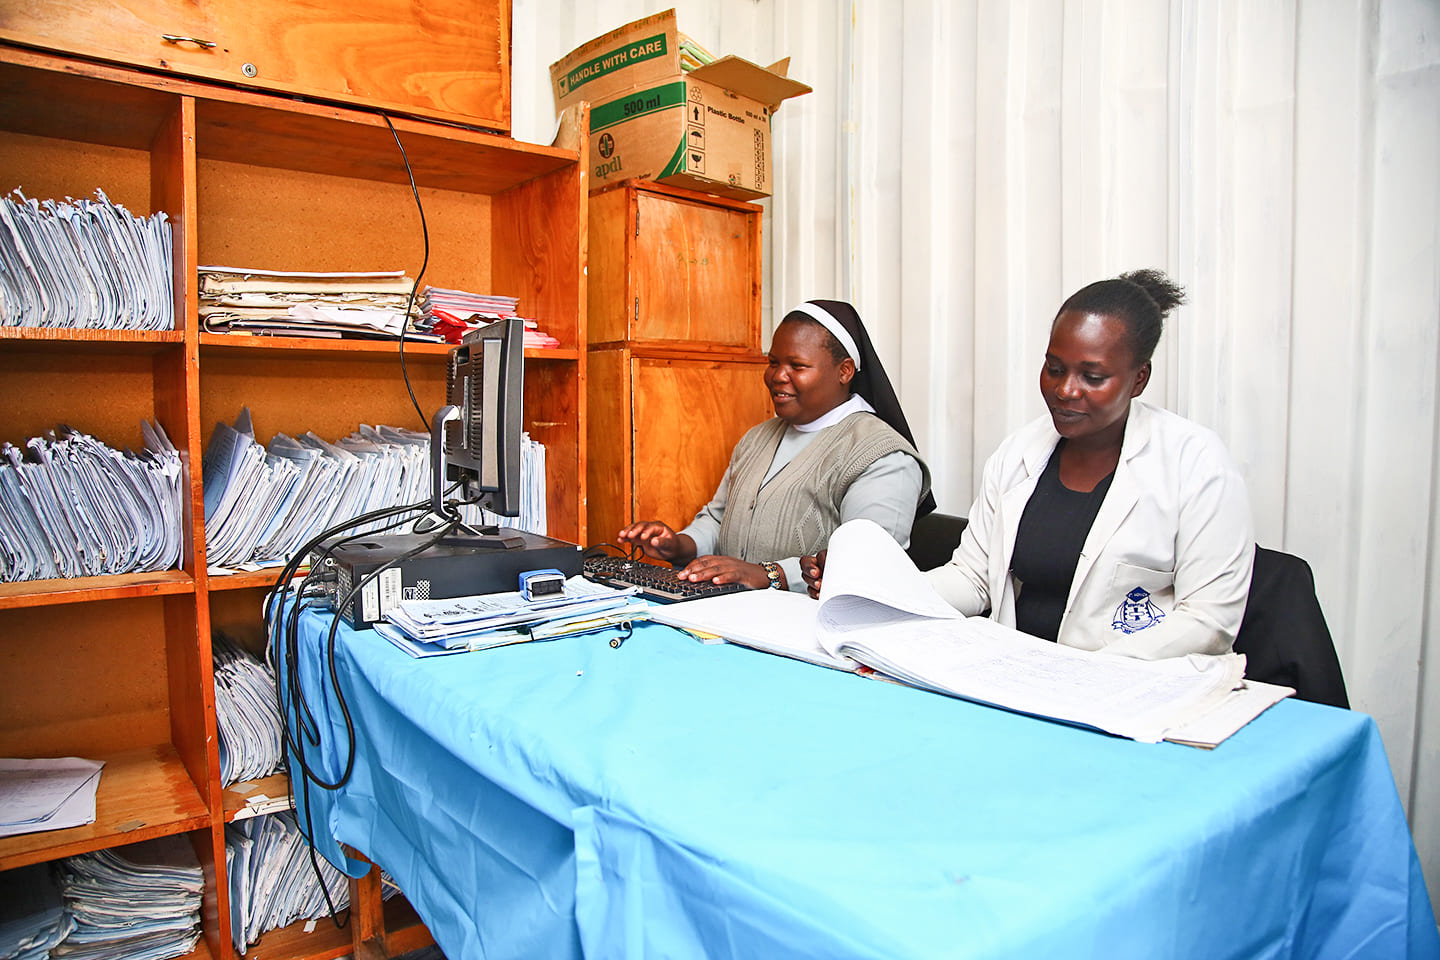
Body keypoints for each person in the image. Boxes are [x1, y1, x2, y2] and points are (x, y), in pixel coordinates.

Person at [806, 269, 1254, 659]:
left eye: (1092, 377)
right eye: (1055, 368)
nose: (1066, 390)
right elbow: (972, 579)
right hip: (1019, 678)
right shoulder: (1020, 453)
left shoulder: (1195, 463)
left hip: (1134, 687)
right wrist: (875, 591)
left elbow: (1208, 621)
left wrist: (1088, 672)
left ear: (1139, 378)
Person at [618, 300, 934, 592]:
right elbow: (718, 520)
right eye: (773, 362)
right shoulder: (757, 438)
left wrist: (769, 575)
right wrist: (680, 545)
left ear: (844, 371)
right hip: (730, 617)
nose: (776, 377)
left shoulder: (882, 456)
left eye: (797, 366)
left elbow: (868, 564)